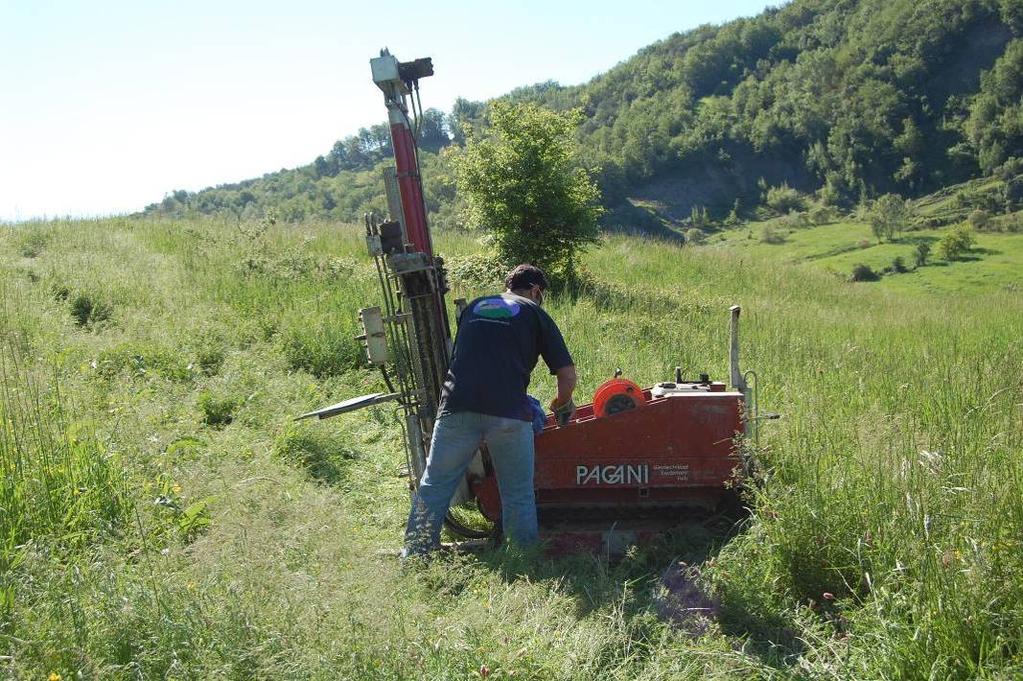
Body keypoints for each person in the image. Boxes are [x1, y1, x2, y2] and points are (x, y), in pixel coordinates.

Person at [402, 263, 577, 557]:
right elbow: (567, 375)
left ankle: (416, 554)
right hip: (508, 413)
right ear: (536, 291)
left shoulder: (474, 307)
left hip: (457, 406)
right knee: (517, 494)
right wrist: (561, 403)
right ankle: (522, 560)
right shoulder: (535, 312)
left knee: (434, 485)